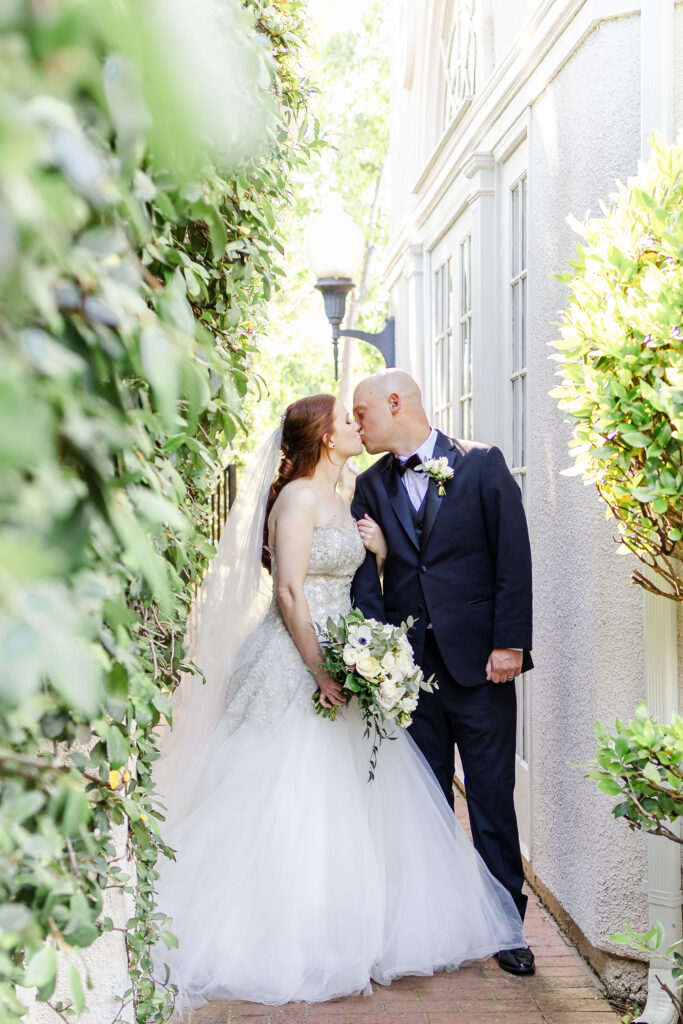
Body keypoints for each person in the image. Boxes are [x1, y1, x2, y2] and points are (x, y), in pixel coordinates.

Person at [152, 392, 525, 1017]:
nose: (356, 425)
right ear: (325, 436)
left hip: (349, 659)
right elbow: (291, 591)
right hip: (299, 661)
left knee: (359, 799)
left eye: (361, 414)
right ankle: (291, 931)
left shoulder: (351, 493)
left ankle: (373, 924)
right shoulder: (299, 497)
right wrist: (321, 669)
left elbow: (364, 573)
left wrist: (378, 555)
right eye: (346, 419)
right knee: (288, 790)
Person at [351, 369, 535, 977]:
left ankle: (508, 925)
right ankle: (426, 928)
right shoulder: (369, 486)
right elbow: (363, 580)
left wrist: (509, 643)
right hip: (410, 675)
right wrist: (379, 659)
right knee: (423, 803)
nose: (358, 424)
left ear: (395, 403)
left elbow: (512, 556)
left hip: (481, 668)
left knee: (490, 799)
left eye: (363, 412)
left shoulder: (481, 464)